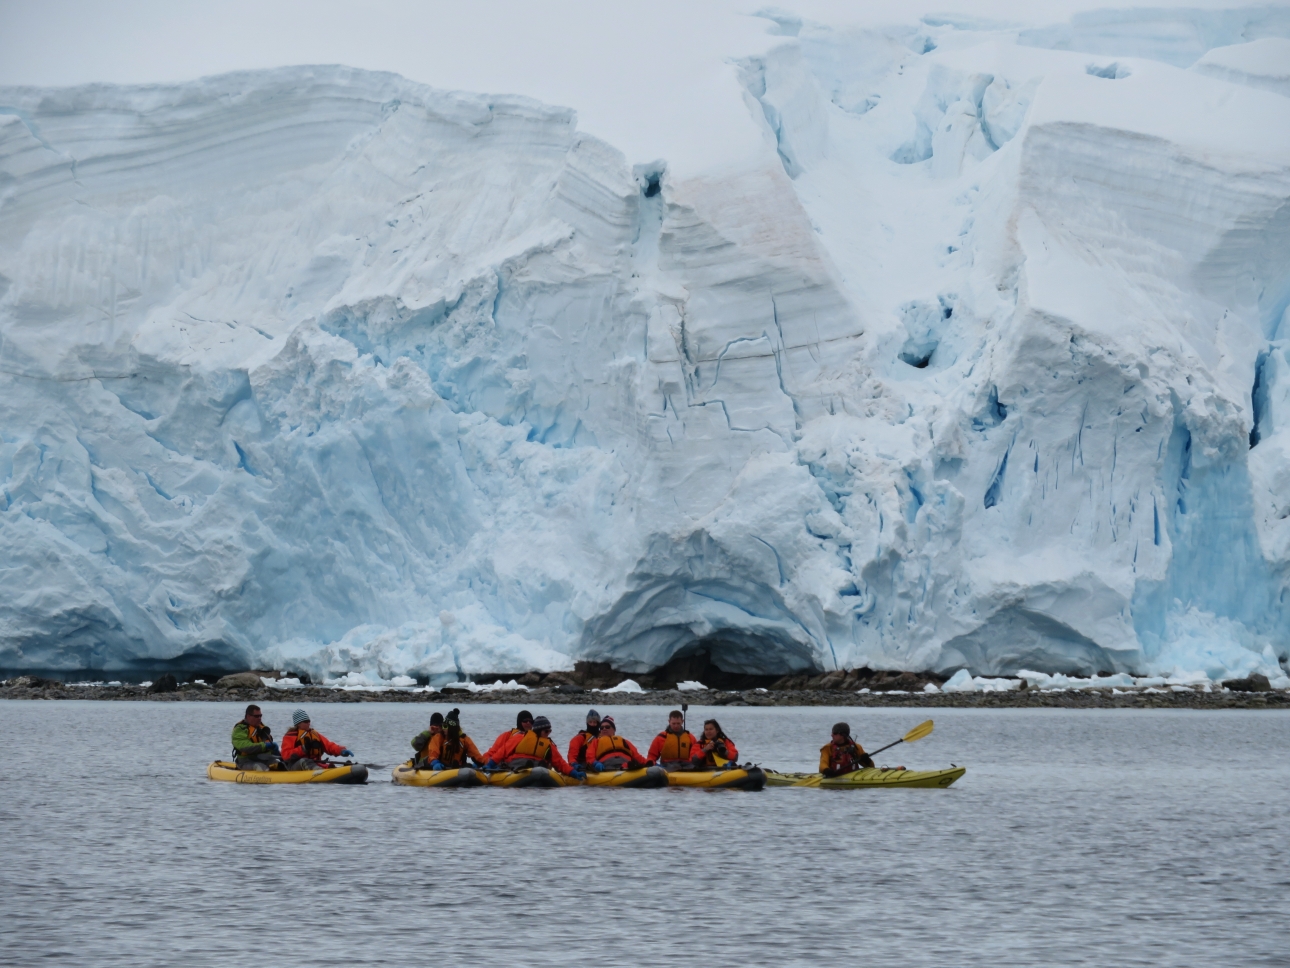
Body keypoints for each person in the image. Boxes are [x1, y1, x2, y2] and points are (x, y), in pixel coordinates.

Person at [500, 715, 583, 778]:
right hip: (517, 764)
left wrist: (573, 773)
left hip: (538, 767)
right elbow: (502, 752)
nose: (548, 733)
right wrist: (491, 763)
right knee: (522, 763)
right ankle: (524, 768)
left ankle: (531, 768)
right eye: (546, 731)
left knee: (542, 765)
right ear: (539, 730)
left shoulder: (549, 745)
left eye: (550, 731)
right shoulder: (520, 737)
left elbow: (560, 762)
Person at [280, 709, 354, 770]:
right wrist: (304, 748)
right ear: (298, 724)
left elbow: (328, 746)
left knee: (318, 763)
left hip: (315, 762)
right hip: (294, 765)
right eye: (305, 722)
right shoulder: (290, 736)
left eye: (309, 721)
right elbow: (286, 755)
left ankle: (333, 769)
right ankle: (321, 771)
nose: (308, 723)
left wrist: (341, 751)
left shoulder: (315, 734)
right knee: (304, 761)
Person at [583, 715, 648, 771]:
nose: (604, 729)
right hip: (607, 764)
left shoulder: (624, 741)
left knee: (633, 763)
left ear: (614, 730)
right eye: (602, 728)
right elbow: (589, 757)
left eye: (607, 727)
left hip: (625, 761)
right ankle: (627, 768)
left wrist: (650, 763)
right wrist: (595, 763)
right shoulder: (596, 742)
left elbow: (637, 756)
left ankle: (628, 767)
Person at [231, 704, 281, 771]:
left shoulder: (262, 728)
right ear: (248, 716)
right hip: (245, 761)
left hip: (263, 758)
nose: (259, 718)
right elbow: (245, 747)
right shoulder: (240, 730)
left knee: (280, 764)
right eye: (256, 716)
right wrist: (265, 746)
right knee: (260, 767)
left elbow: (268, 745)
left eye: (260, 716)